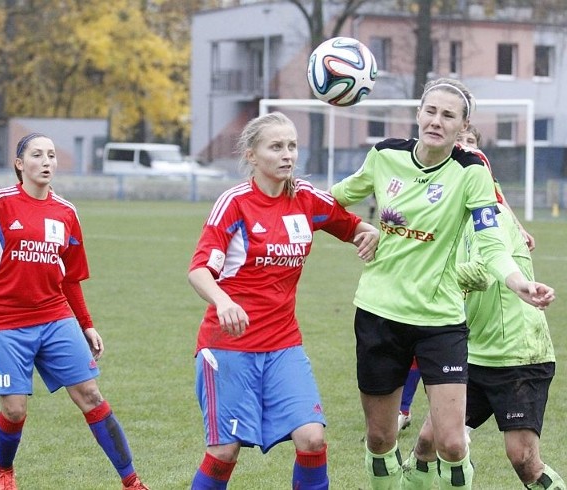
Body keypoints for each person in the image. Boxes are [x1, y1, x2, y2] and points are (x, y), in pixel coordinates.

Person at [329, 78, 555, 489]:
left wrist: (518, 281)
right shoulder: (384, 157)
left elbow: (490, 241)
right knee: (381, 438)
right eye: (431, 111)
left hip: (440, 320)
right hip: (380, 313)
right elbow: (332, 200)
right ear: (418, 114)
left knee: (451, 444)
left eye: (448, 115)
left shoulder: (471, 172)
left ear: (462, 126)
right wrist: (360, 227)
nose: (436, 121)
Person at [187, 111, 379, 489]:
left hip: (283, 346)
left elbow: (348, 223)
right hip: (228, 346)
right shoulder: (235, 202)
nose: (287, 154)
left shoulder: (305, 198)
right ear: (252, 156)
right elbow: (198, 271)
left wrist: (366, 229)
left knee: (312, 438)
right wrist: (223, 301)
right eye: (276, 147)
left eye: (292, 146)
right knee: (225, 452)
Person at [0, 133, 150, 490]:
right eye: (37, 155)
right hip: (4, 321)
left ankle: (132, 481)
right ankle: (4, 470)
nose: (46, 161)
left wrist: (87, 325)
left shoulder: (66, 212)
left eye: (52, 155)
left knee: (91, 395)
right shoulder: (1, 202)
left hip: (55, 318)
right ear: (20, 164)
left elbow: (70, 279)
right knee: (15, 410)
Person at [402, 199, 565, 490]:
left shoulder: (493, 215)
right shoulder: (445, 216)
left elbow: (482, 273)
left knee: (524, 459)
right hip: (473, 353)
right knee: (428, 441)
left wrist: (422, 274)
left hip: (519, 354)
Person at [456, 124, 535, 251]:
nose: (464, 144)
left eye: (470, 141)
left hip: (477, 227)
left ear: (477, 146)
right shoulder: (444, 166)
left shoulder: (481, 167)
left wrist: (519, 228)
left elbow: (500, 200)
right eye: (459, 139)